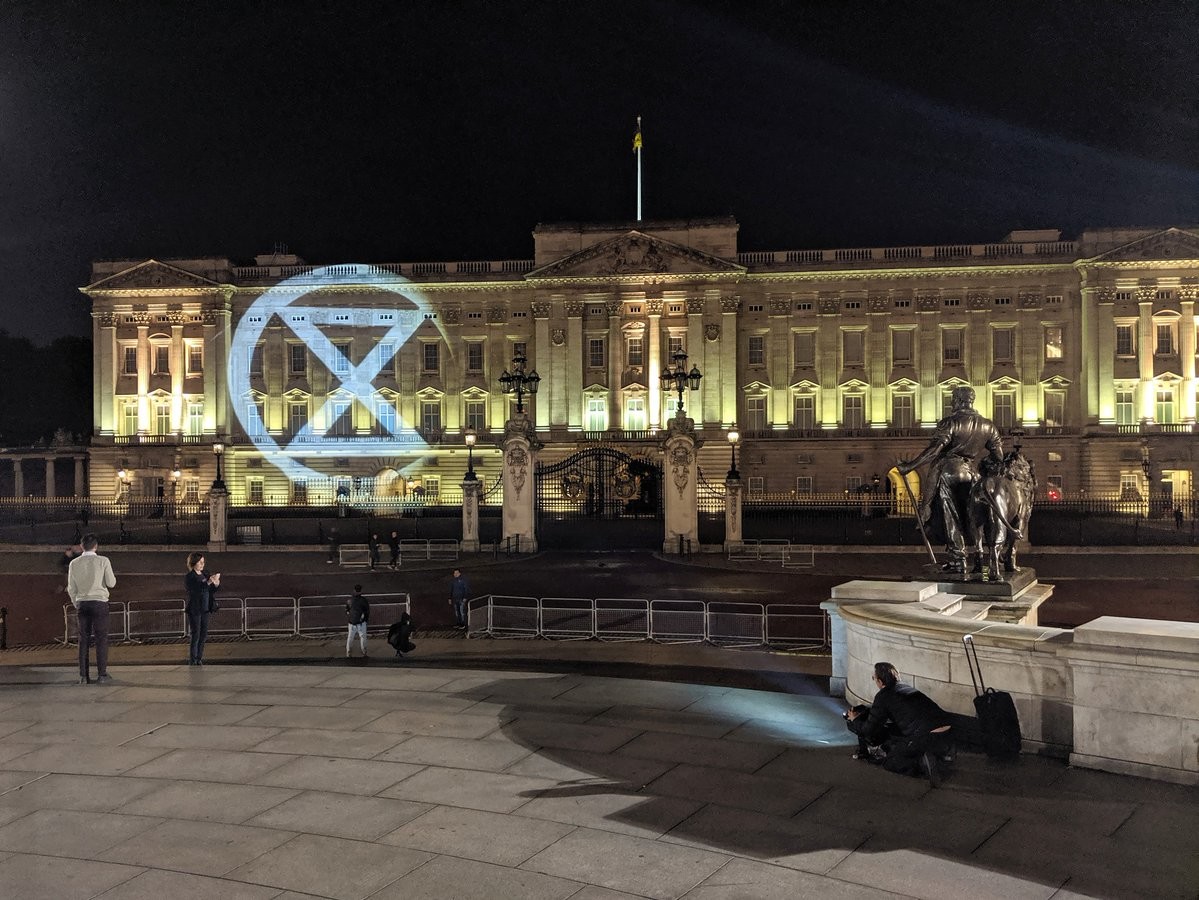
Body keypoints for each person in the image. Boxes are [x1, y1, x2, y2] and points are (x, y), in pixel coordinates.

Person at [898, 386, 1003, 575]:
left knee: (951, 515)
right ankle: (979, 556)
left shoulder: (950, 422)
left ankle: (958, 560)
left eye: (953, 399)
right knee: (972, 516)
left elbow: (934, 451)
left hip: (949, 471)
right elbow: (998, 457)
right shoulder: (988, 425)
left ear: (959, 400)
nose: (952, 403)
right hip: (972, 473)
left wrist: (910, 466)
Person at [846, 662, 953, 786]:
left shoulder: (883, 696)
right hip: (947, 729)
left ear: (880, 681)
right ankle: (939, 754)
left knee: (891, 762)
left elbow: (868, 729)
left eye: (874, 678)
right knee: (897, 738)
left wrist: (855, 719)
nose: (874, 681)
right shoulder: (905, 687)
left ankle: (923, 763)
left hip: (927, 734)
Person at [67, 533, 116, 684]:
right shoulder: (103, 561)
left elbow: (71, 588)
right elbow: (111, 583)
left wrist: (76, 603)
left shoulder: (74, 563)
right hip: (99, 602)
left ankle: (83, 676)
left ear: (81, 547)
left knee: (83, 639)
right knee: (101, 638)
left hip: (82, 603)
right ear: (96, 546)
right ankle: (102, 675)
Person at [184, 552, 220, 666]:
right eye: (200, 562)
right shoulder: (190, 577)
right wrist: (208, 582)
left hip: (205, 608)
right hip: (195, 609)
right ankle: (193, 659)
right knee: (196, 634)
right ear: (193, 563)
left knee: (203, 635)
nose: (202, 564)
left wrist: (216, 584)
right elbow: (196, 590)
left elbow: (210, 590)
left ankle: (199, 658)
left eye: (203, 562)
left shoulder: (205, 573)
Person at [346, 583, 369, 658]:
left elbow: (347, 611)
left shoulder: (349, 600)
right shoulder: (364, 600)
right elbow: (367, 611)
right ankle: (364, 653)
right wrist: (365, 620)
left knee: (350, 638)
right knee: (363, 638)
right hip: (361, 623)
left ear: (354, 590)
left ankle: (349, 653)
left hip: (352, 623)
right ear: (361, 591)